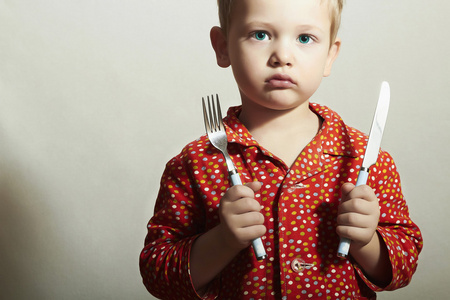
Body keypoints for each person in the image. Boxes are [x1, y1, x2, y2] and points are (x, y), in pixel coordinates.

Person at [139, 0, 423, 299]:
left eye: (304, 38)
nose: (282, 56)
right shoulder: (196, 162)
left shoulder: (366, 157)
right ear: (223, 47)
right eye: (260, 34)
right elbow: (158, 276)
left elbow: (405, 266)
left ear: (330, 55)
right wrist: (222, 241)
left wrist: (366, 243)